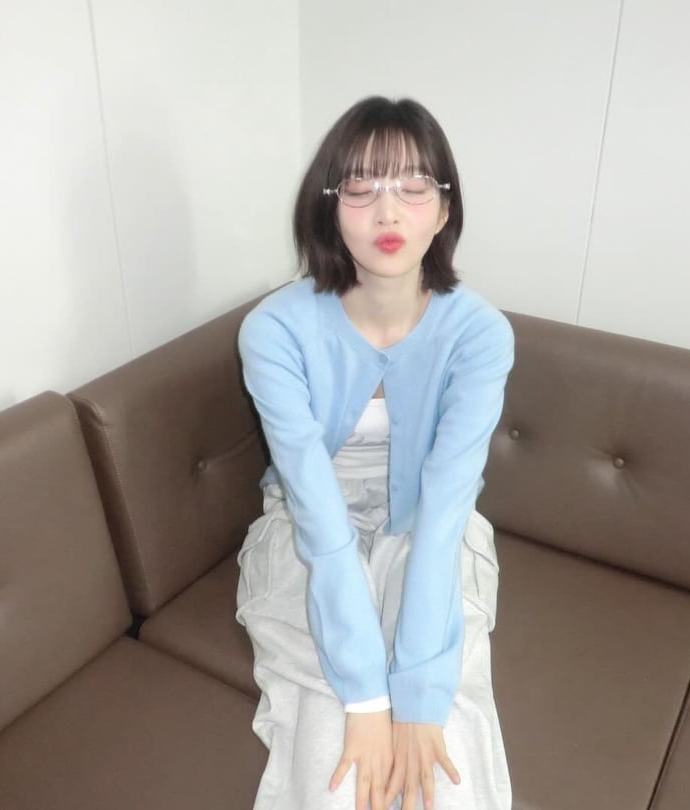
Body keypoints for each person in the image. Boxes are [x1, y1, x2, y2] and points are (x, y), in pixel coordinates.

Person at [236, 96, 513, 810]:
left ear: (444, 209)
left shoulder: (479, 335)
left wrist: (416, 692)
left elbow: (445, 511)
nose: (388, 212)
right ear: (330, 206)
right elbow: (318, 518)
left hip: (429, 530)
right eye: (361, 187)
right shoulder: (274, 330)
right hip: (306, 530)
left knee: (442, 748)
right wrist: (365, 697)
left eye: (414, 186)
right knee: (338, 755)